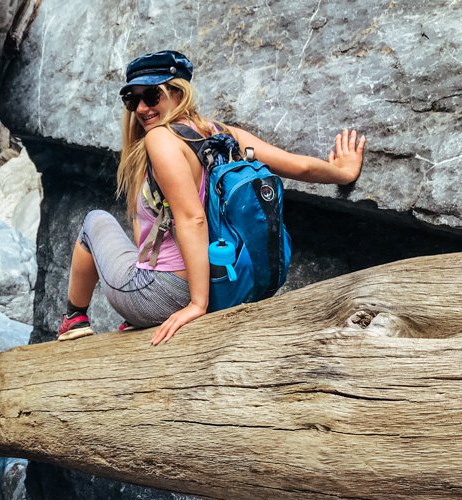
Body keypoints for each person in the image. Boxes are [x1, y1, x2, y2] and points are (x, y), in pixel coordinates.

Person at [56, 49, 366, 345]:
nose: (140, 109)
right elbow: (297, 165)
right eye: (131, 100)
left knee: (94, 222)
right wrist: (342, 173)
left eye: (151, 96)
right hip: (225, 283)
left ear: (178, 92)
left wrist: (197, 304)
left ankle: (73, 320)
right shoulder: (221, 134)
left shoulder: (161, 139)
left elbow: (192, 218)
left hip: (167, 293)